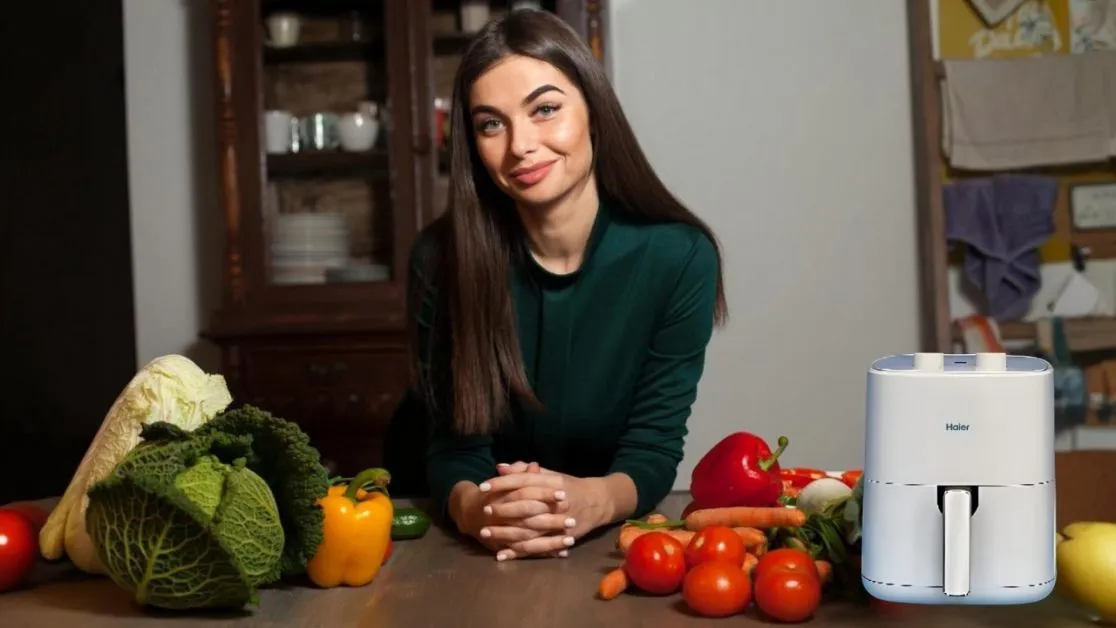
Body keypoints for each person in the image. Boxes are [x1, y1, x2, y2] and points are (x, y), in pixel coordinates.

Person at [405, 9, 728, 562]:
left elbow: (651, 450)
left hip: (599, 541)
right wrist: (477, 509)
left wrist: (594, 501)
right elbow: (455, 451)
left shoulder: (679, 258)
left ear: (595, 115)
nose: (520, 146)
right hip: (468, 545)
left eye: (545, 110)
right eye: (491, 124)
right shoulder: (441, 259)